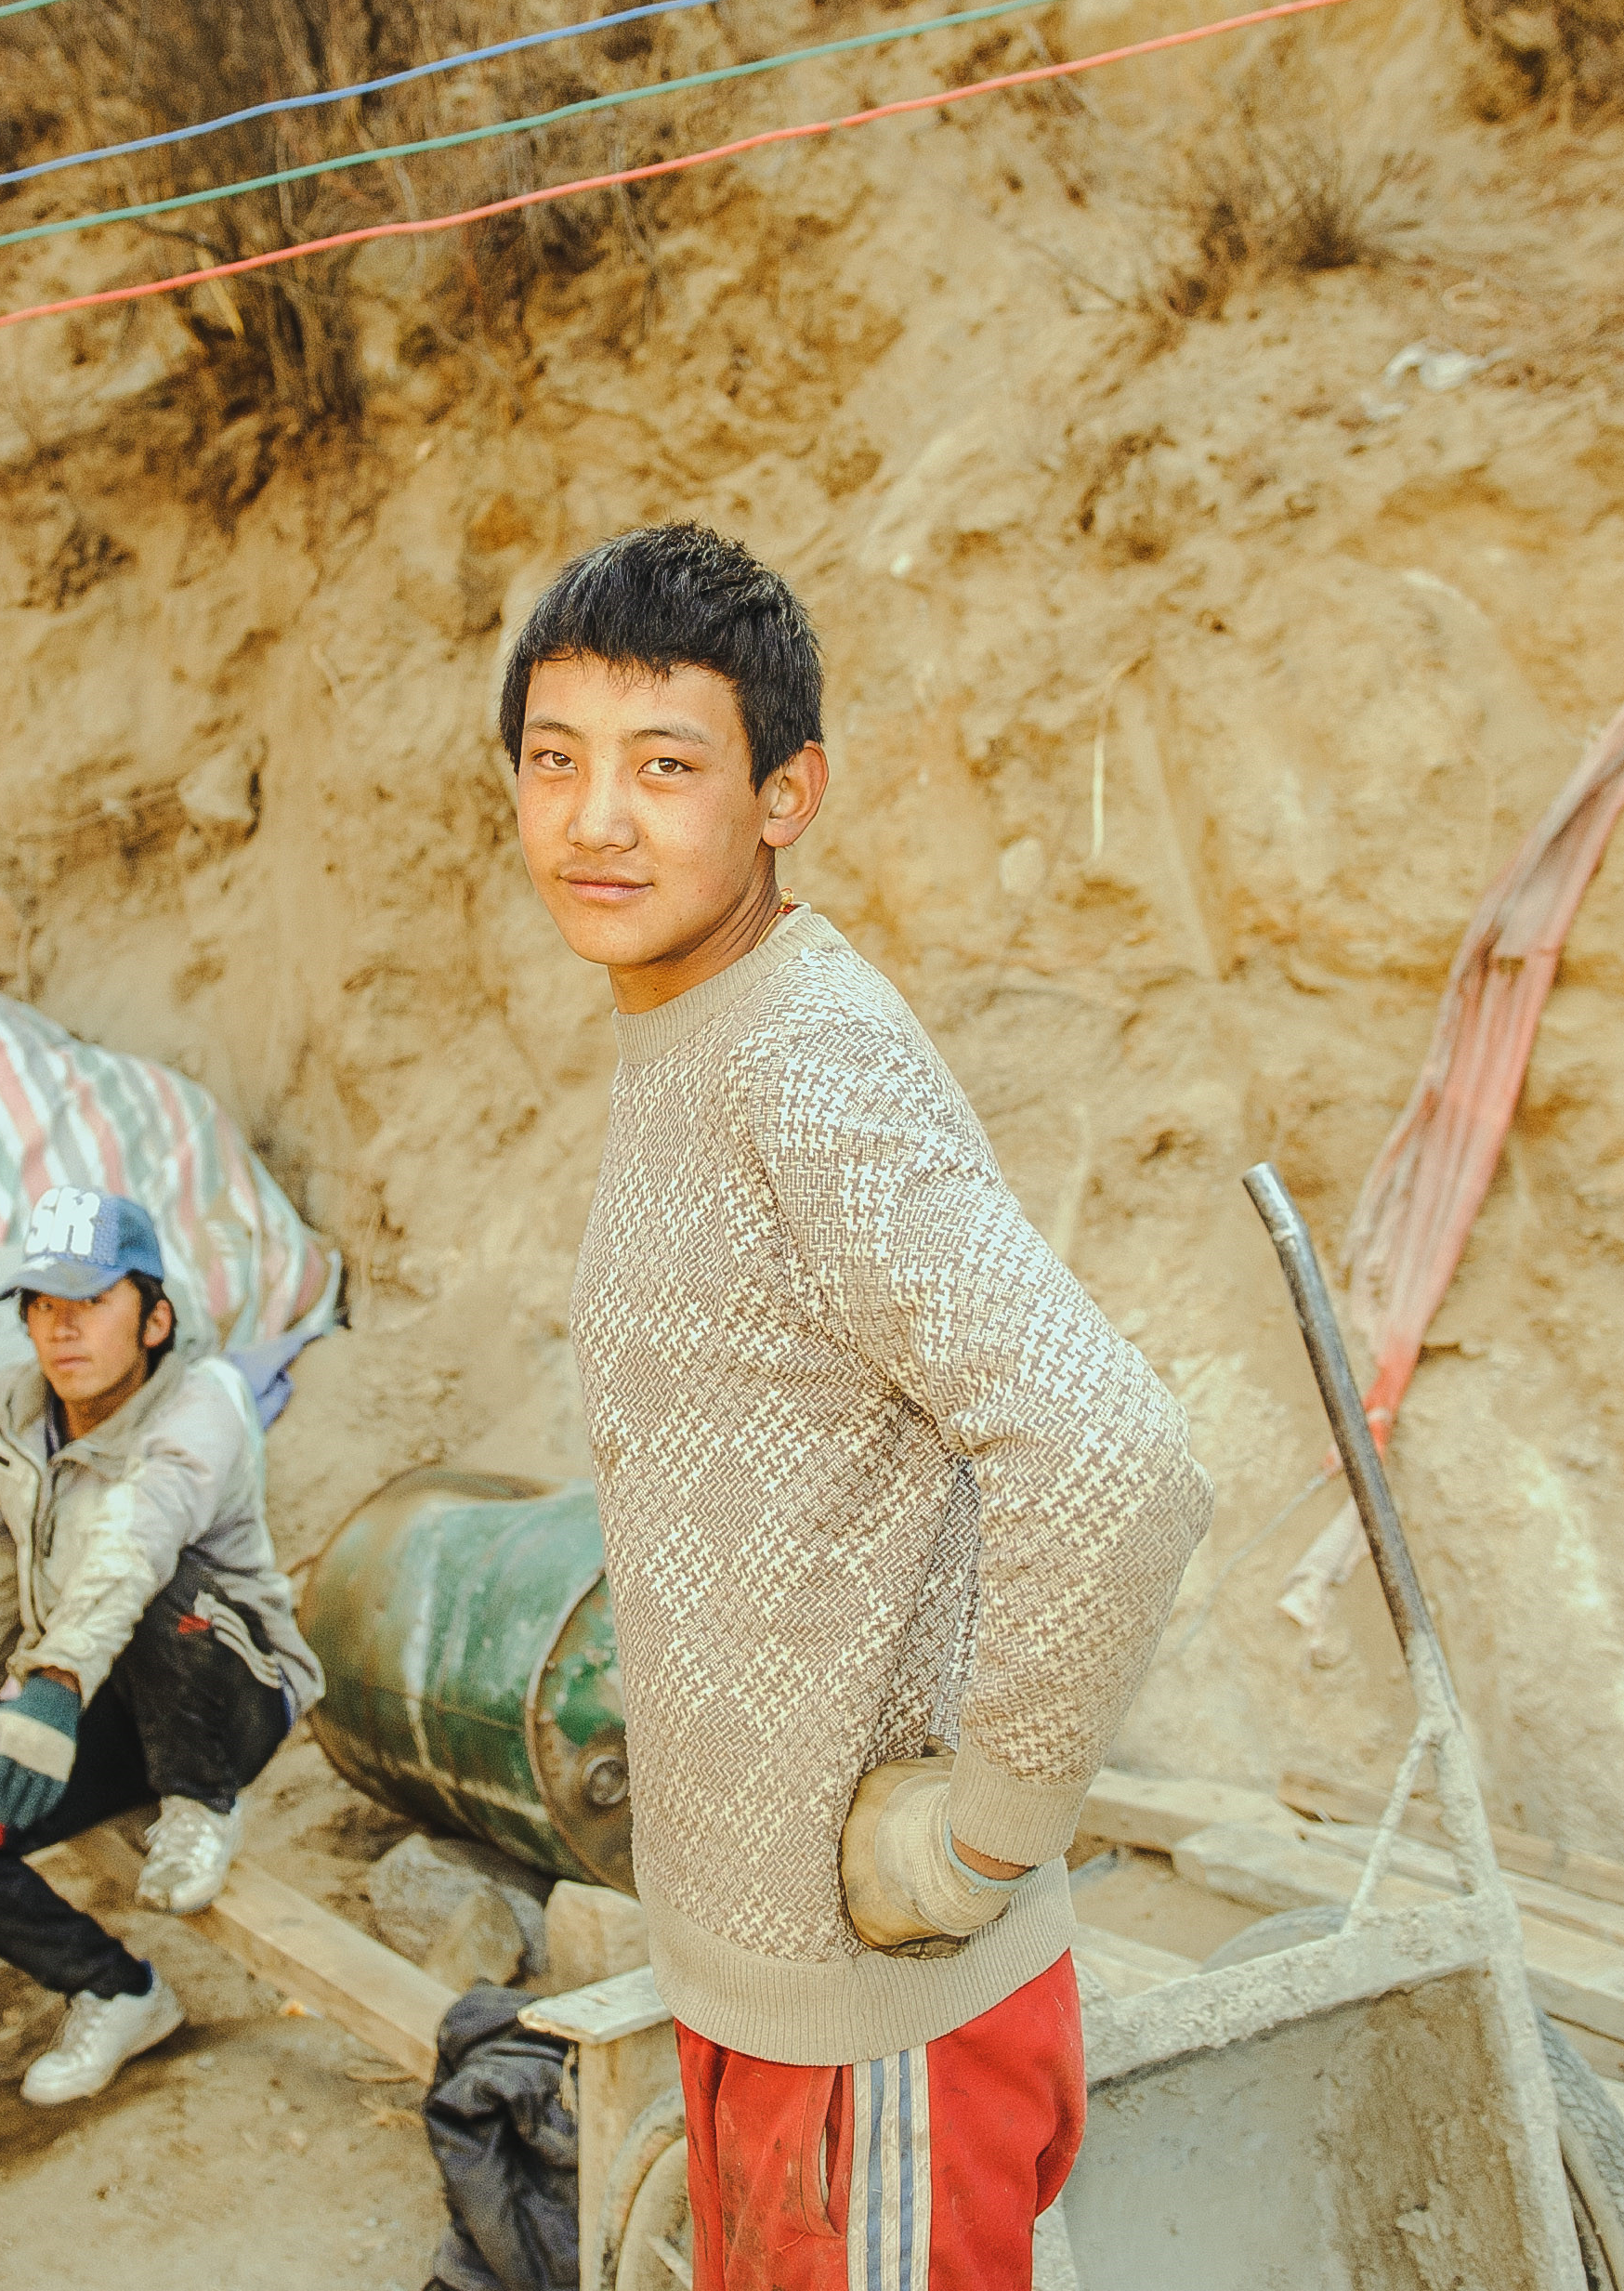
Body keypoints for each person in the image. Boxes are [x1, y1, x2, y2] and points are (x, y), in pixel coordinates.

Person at [504, 522, 1211, 2286]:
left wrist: (982, 1840)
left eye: (667, 766)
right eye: (556, 760)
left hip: (884, 2038)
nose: (597, 820)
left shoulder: (807, 1062)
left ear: (785, 794)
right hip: (766, 1993)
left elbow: (1110, 1455)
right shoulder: (690, 1030)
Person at [0, 1184, 322, 2108]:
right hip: (93, 1693)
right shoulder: (4, 1413)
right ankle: (117, 1993)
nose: (61, 1329)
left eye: (89, 1303)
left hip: (227, 1690)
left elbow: (136, 1540)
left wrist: (50, 1681)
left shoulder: (201, 1404)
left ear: (154, 1319)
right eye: (42, 1306)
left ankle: (200, 1803)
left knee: (160, 1586)